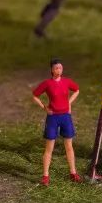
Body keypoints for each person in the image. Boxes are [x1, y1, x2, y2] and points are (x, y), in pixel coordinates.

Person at [32, 58, 82, 186]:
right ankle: (45, 175)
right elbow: (35, 95)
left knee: (69, 146)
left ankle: (73, 172)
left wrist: (69, 103)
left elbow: (77, 90)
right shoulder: (47, 83)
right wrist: (44, 107)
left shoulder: (66, 81)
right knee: (49, 147)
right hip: (53, 117)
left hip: (65, 117)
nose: (59, 70)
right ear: (52, 70)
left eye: (60, 67)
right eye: (56, 68)